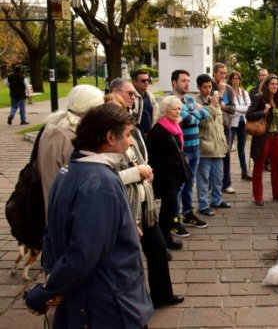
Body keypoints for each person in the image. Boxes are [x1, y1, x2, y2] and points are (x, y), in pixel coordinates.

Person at [24, 103, 154, 328]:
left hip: (90, 301)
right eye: (127, 135)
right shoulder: (100, 183)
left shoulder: (68, 171)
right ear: (109, 137)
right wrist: (47, 291)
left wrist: (123, 225)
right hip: (107, 305)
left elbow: (54, 233)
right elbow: (83, 254)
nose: (131, 141)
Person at [106, 95, 184, 309]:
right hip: (127, 207)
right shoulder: (106, 143)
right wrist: (136, 172)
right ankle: (129, 301)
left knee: (158, 249)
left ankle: (161, 294)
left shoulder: (129, 135)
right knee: (128, 259)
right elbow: (106, 178)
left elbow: (141, 158)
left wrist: (145, 172)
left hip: (144, 203)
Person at [36, 85, 104, 219]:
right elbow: (80, 173)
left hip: (52, 197)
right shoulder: (69, 134)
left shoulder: (56, 126)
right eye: (100, 107)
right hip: (62, 205)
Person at [146, 96, 190, 250]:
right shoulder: (158, 130)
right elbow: (152, 156)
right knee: (168, 209)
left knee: (170, 208)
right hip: (164, 176)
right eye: (174, 109)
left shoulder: (174, 126)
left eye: (179, 109)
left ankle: (166, 238)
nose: (178, 111)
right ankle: (162, 241)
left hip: (175, 174)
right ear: (165, 111)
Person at [171, 69, 210, 235]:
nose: (187, 83)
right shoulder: (172, 101)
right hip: (182, 150)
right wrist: (197, 112)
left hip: (195, 148)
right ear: (174, 83)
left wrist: (197, 112)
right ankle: (174, 219)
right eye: (183, 81)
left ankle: (187, 213)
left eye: (188, 80)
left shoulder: (188, 99)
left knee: (189, 183)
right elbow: (187, 120)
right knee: (178, 186)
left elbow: (206, 113)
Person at [246, 74, 278, 206]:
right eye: (272, 84)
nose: (275, 86)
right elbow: (249, 114)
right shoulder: (259, 98)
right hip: (263, 137)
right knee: (259, 167)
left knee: (276, 167)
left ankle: (277, 193)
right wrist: (264, 111)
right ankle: (258, 196)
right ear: (266, 85)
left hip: (277, 138)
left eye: (276, 84)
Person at [196, 74, 231, 217]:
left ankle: (217, 200)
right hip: (205, 146)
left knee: (218, 177)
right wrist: (211, 106)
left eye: (210, 86)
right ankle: (203, 205)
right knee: (204, 178)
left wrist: (223, 141)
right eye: (205, 87)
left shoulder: (214, 101)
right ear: (198, 87)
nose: (208, 89)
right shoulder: (196, 103)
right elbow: (202, 123)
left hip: (218, 146)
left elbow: (219, 124)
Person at [212, 63, 237, 194]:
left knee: (226, 156)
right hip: (213, 128)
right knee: (213, 156)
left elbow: (233, 108)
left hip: (227, 128)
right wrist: (220, 93)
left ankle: (226, 183)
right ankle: (212, 185)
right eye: (221, 73)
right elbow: (213, 106)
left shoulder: (228, 88)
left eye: (225, 73)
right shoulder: (209, 86)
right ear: (215, 73)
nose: (223, 75)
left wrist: (225, 107)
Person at [228, 70, 252, 181]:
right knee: (227, 148)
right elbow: (229, 110)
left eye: (238, 78)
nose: (236, 80)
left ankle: (244, 171)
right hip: (232, 123)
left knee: (241, 148)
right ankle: (226, 174)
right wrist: (240, 109)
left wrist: (236, 109)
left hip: (243, 123)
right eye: (234, 78)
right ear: (230, 80)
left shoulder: (244, 92)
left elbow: (248, 108)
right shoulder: (227, 92)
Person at [132, 69, 159, 136]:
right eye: (143, 81)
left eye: (148, 80)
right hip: (136, 135)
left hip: (150, 134)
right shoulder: (131, 97)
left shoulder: (150, 96)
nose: (146, 82)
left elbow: (156, 114)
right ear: (134, 82)